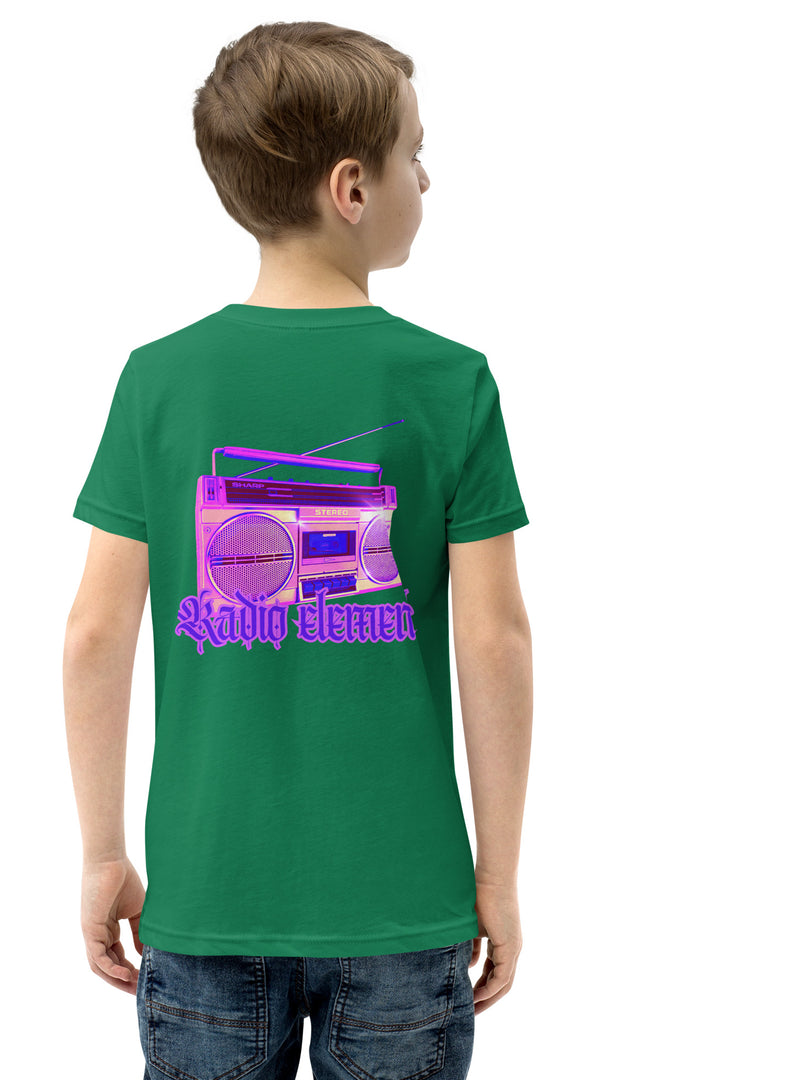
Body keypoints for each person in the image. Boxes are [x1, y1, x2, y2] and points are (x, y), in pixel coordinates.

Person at [62, 20, 533, 1080]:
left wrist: (103, 854)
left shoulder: (159, 379)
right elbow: (494, 641)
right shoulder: (449, 382)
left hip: (205, 895)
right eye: (415, 152)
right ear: (352, 188)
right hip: (403, 901)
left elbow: (95, 633)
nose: (428, 177)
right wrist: (496, 876)